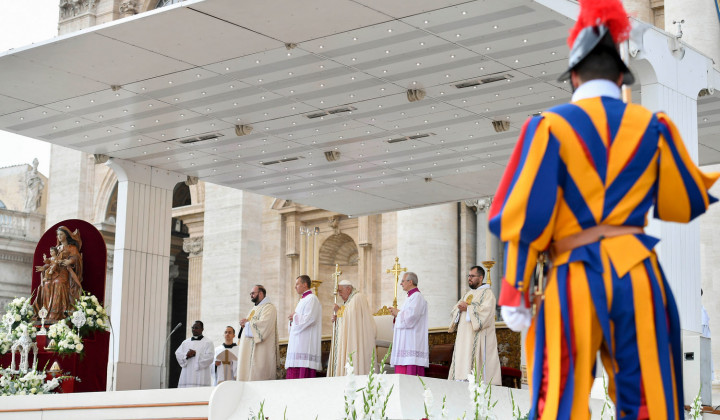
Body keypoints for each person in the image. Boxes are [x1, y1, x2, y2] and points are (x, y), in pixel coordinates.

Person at [488, 0, 718, 418]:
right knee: (652, 401)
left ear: (574, 76)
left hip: (573, 276)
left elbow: (526, 218)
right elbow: (682, 203)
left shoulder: (549, 127)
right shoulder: (654, 127)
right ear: (621, 76)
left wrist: (515, 290)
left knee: (560, 397)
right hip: (638, 275)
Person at [448, 266, 501, 384]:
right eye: (469, 276)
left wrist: (468, 308)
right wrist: (459, 309)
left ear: (481, 278)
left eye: (472, 276)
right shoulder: (467, 294)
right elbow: (454, 310)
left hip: (478, 336)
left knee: (476, 373)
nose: (469, 278)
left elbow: (486, 313)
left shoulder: (488, 294)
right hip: (463, 337)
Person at [328, 280, 376, 376]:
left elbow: (353, 320)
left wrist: (339, 311)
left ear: (348, 289)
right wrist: (338, 318)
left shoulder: (358, 298)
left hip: (358, 340)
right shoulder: (349, 301)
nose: (339, 294)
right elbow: (348, 319)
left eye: (340, 291)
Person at [389, 272, 428, 376]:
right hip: (405, 342)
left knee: (410, 374)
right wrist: (397, 314)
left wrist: (398, 313)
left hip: (411, 342)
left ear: (410, 282)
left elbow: (411, 317)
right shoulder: (410, 298)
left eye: (402, 281)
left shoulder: (417, 297)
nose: (401, 283)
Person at [237, 285, 278, 381]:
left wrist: (248, 324)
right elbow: (250, 324)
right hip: (248, 350)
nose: (251, 295)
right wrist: (245, 323)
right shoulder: (254, 309)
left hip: (261, 351)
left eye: (253, 293)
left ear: (260, 293)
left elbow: (264, 326)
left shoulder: (269, 308)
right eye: (250, 293)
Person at [285, 275, 322, 379]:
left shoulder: (312, 299)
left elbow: (310, 318)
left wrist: (295, 316)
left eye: (297, 284)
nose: (295, 287)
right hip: (297, 344)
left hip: (305, 346)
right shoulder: (302, 300)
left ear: (305, 285)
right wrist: (293, 319)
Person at [175, 321, 214, 388]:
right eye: (193, 328)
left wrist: (196, 354)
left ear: (202, 329)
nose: (194, 330)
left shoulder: (208, 342)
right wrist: (186, 355)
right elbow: (178, 354)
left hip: (201, 375)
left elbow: (210, 357)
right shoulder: (185, 342)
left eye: (196, 328)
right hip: (187, 375)